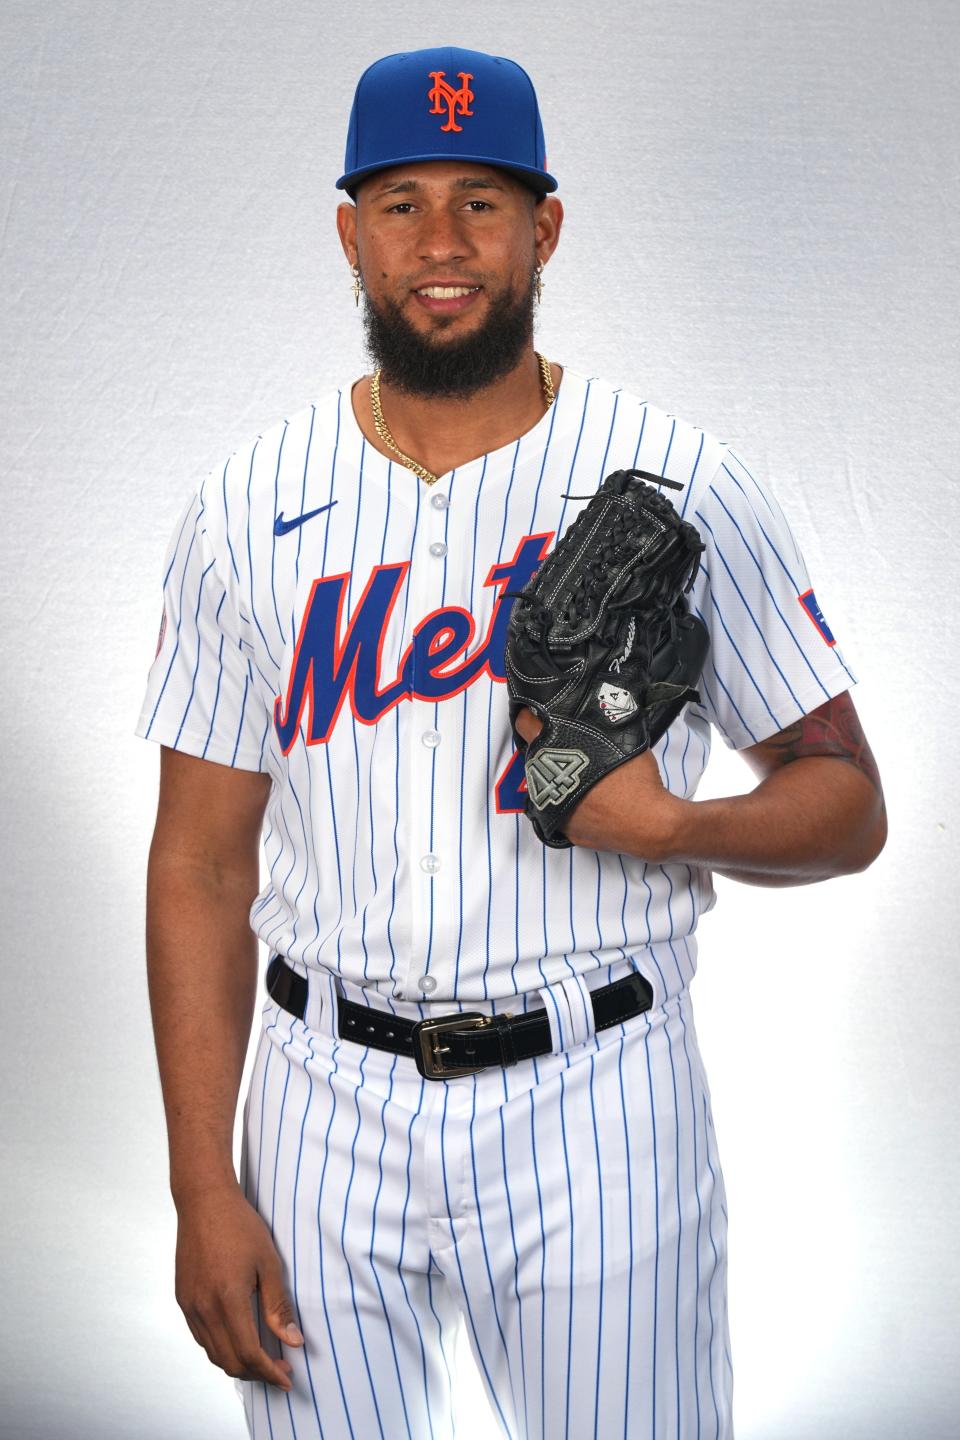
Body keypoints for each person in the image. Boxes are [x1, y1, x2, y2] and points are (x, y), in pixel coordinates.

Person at [137, 45, 886, 1440]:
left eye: (481, 203)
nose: (441, 244)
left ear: (544, 229)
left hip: (593, 1097)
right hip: (317, 1109)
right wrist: (201, 1184)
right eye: (403, 201)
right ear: (349, 233)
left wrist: (676, 828)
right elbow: (197, 865)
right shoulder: (245, 504)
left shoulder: (683, 483)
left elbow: (848, 804)